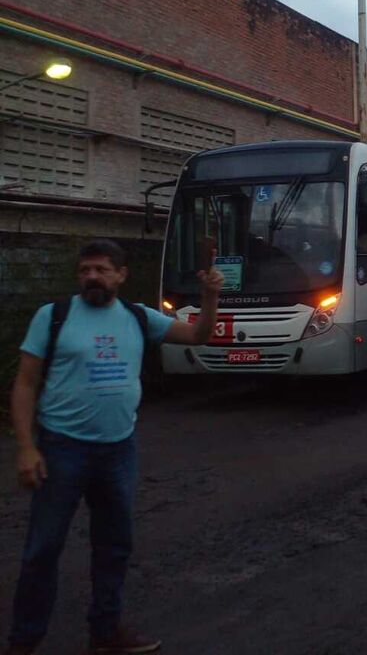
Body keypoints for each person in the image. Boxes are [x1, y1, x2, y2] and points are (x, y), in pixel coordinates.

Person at [5, 239, 224, 655]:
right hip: (60, 450)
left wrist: (210, 297)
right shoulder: (53, 317)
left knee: (114, 546)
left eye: (102, 269)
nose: (92, 276)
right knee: (42, 550)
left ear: (121, 275)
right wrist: (27, 447)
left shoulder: (140, 318)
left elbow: (199, 335)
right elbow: (26, 383)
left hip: (117, 451)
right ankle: (23, 642)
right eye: (85, 269)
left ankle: (105, 633)